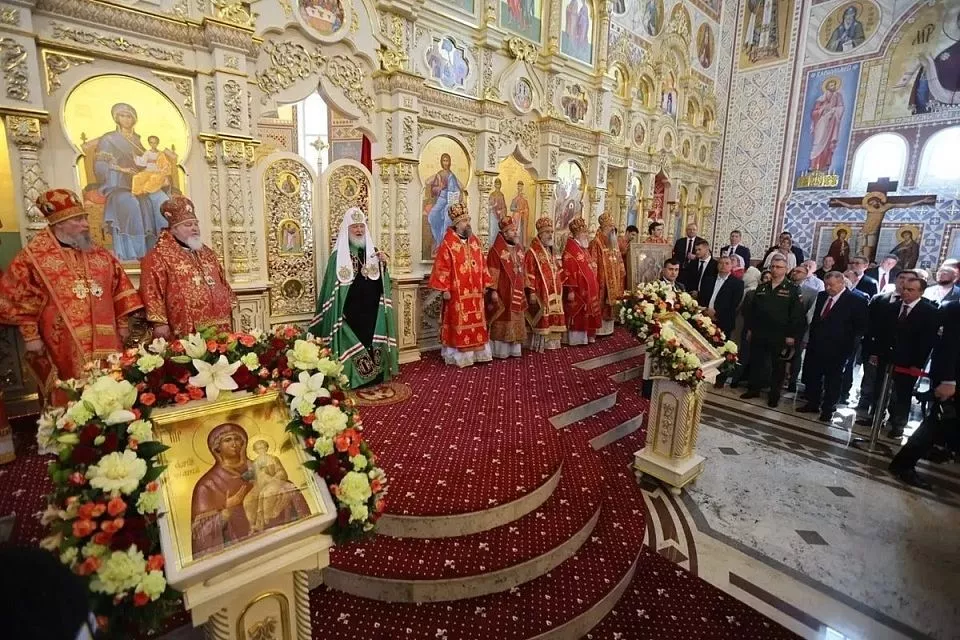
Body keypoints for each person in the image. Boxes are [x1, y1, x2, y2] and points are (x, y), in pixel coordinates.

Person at [0, 189, 142, 389]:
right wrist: (31, 336)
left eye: (85, 218)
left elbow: (119, 290)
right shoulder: (32, 258)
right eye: (78, 220)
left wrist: (123, 324)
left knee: (113, 387)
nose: (86, 224)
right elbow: (20, 301)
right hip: (62, 344)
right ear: (59, 224)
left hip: (108, 340)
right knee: (71, 392)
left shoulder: (100, 255)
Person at [310, 207, 398, 387]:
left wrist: (383, 265)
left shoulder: (373, 252)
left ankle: (375, 375)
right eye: (354, 227)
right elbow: (332, 287)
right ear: (347, 230)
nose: (359, 230)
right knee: (355, 338)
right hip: (350, 311)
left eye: (361, 226)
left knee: (371, 338)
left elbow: (381, 283)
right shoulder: (338, 256)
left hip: (372, 308)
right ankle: (355, 379)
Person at [139, 196, 235, 339]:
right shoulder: (158, 256)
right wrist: (159, 322)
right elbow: (151, 290)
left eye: (196, 224)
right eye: (188, 225)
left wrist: (227, 299)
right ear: (174, 229)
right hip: (183, 326)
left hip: (219, 322)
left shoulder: (208, 254)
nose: (194, 229)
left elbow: (221, 280)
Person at [888, 300, 960, 489]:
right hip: (952, 382)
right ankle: (903, 465)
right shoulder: (955, 309)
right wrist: (949, 381)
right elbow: (949, 347)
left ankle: (940, 451)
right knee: (937, 422)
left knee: (945, 423)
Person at [858, 275, 939, 438]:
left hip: (909, 361)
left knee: (901, 393)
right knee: (880, 388)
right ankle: (875, 417)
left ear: (921, 292)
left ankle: (898, 424)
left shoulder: (929, 312)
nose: (906, 292)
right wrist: (876, 352)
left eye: (911, 290)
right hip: (886, 356)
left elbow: (927, 341)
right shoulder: (892, 307)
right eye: (904, 289)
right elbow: (881, 333)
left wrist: (917, 364)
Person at [93, 103, 172, 261]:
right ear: (116, 118)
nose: (126, 119)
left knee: (163, 202)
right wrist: (121, 170)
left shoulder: (137, 141)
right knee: (132, 205)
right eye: (122, 116)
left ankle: (162, 252)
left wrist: (160, 174)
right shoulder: (109, 139)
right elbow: (100, 164)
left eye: (129, 116)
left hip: (142, 182)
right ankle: (133, 255)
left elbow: (146, 162)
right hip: (119, 184)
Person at [428, 199, 494, 367]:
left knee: (477, 320)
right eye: (464, 221)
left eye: (468, 220)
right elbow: (442, 267)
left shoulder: (475, 242)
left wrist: (485, 283)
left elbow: (482, 263)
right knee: (458, 322)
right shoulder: (448, 244)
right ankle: (459, 356)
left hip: (475, 292)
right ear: (456, 224)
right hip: (456, 293)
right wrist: (444, 289)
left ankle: (477, 354)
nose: (467, 223)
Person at [798, 272, 868, 421]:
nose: (828, 288)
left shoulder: (856, 300)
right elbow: (816, 319)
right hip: (817, 344)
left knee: (833, 380)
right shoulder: (822, 296)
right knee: (814, 376)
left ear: (842, 283)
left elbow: (859, 327)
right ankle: (812, 402)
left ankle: (828, 409)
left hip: (839, 348)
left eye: (831, 285)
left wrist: (849, 348)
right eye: (826, 285)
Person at [740, 255, 807, 407]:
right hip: (760, 332)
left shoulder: (792, 289)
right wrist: (750, 329)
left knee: (778, 367)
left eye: (779, 267)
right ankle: (754, 389)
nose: (775, 270)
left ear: (786, 269)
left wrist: (791, 335)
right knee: (757, 362)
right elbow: (754, 311)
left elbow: (797, 315)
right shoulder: (763, 287)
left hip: (780, 334)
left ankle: (774, 395)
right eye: (773, 267)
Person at [486, 215, 527, 358]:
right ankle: (501, 350)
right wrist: (493, 290)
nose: (516, 232)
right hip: (503, 291)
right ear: (504, 233)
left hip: (518, 290)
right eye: (512, 230)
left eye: (516, 229)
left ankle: (514, 348)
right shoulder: (496, 250)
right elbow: (492, 270)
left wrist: (527, 287)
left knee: (516, 316)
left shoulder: (519, 249)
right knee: (504, 316)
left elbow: (523, 269)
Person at [524, 216, 566, 352]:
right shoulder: (532, 252)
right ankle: (539, 343)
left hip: (554, 292)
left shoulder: (550, 250)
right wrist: (531, 292)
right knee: (542, 317)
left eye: (551, 232)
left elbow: (556, 269)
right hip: (540, 292)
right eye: (547, 232)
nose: (550, 235)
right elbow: (529, 272)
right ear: (541, 234)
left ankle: (551, 342)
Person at [701, 255, 745, 372]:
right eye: (721, 263)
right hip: (705, 319)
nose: (723, 266)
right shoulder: (708, 280)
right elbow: (702, 297)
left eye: (727, 263)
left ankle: (719, 374)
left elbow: (734, 305)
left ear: (731, 266)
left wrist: (716, 314)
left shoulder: (737, 283)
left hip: (723, 321)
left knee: (720, 350)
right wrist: (705, 311)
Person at [562, 217, 601, 345]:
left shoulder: (582, 247)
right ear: (577, 234)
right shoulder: (571, 249)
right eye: (584, 233)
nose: (587, 235)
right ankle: (576, 339)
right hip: (578, 289)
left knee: (589, 311)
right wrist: (571, 290)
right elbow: (568, 270)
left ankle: (588, 335)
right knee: (579, 312)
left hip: (588, 289)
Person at [589, 213, 626, 336]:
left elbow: (619, 259)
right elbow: (593, 263)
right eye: (610, 226)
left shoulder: (613, 242)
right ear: (604, 227)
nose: (613, 229)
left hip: (614, 278)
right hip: (602, 280)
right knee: (602, 302)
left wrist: (621, 271)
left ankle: (609, 329)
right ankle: (599, 330)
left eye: (613, 226)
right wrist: (596, 280)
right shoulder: (596, 243)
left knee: (613, 303)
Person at [787, 265, 820, 393]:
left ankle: (792, 381)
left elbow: (810, 315)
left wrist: (806, 335)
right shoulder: (785, 287)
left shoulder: (811, 292)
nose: (795, 273)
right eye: (794, 271)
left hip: (800, 330)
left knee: (796, 356)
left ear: (806, 275)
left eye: (799, 271)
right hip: (783, 327)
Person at [423, 153, 463, 257]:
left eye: (447, 161)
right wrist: (439, 188)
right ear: (441, 162)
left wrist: (455, 196)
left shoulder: (452, 176)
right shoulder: (439, 174)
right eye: (444, 161)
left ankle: (444, 244)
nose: (446, 163)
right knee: (432, 216)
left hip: (451, 200)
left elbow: (459, 189)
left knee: (447, 215)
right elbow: (432, 188)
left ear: (450, 162)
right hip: (441, 198)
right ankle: (438, 240)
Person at [509, 181, 531, 245]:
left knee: (522, 232)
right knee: (516, 231)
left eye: (521, 186)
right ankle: (515, 244)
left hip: (523, 217)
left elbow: (527, 208)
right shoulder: (515, 196)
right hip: (516, 217)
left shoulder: (525, 197)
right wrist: (518, 210)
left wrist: (524, 211)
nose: (520, 187)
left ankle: (521, 245)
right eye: (519, 186)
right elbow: (511, 208)